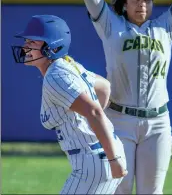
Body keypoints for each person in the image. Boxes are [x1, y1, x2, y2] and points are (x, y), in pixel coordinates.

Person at [78, 0, 172, 194]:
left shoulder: (166, 27)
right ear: (124, 4)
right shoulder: (110, 25)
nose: (142, 3)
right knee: (119, 190)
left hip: (158, 124)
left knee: (152, 192)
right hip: (119, 121)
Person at [11, 14, 127, 194]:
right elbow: (104, 87)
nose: (25, 47)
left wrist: (113, 159)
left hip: (94, 161)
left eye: (32, 42)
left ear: (52, 47)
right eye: (26, 41)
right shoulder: (67, 66)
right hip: (99, 157)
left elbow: (95, 112)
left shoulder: (56, 76)